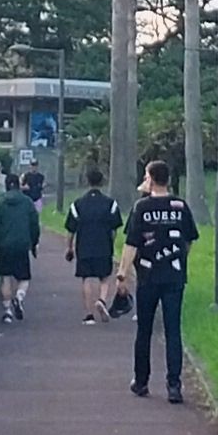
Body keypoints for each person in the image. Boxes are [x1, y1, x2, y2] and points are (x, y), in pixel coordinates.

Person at [126, 159, 200, 403]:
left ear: (150, 178)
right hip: (174, 275)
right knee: (173, 330)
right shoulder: (180, 206)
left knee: (144, 330)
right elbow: (189, 240)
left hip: (148, 277)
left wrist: (122, 273)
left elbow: (132, 244)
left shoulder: (141, 208)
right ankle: (174, 385)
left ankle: (141, 380)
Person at [64, 173, 121, 324]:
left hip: (84, 247)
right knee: (105, 277)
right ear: (102, 182)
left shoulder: (77, 204)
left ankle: (89, 314)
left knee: (86, 279)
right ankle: (102, 300)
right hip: (104, 245)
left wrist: (69, 248)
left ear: (87, 181)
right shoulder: (111, 204)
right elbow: (115, 229)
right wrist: (111, 242)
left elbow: (71, 230)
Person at [0, 168, 40, 323]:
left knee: (5, 278)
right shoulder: (27, 203)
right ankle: (19, 297)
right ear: (19, 184)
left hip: (3, 245)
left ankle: (7, 311)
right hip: (22, 244)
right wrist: (34, 242)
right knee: (24, 278)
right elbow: (34, 225)